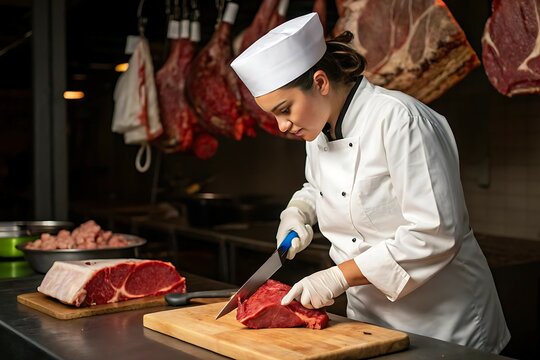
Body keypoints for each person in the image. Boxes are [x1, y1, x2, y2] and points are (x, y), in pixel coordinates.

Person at [231, 13, 510, 353]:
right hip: (368, 320)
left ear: (320, 83)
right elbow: (320, 187)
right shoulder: (318, 129)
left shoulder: (400, 120)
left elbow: (435, 232)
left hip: (444, 323)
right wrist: (298, 213)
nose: (281, 126)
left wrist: (339, 276)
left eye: (285, 109)